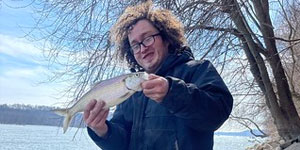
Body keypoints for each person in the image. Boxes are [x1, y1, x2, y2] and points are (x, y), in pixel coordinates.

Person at [83, 1, 233, 150]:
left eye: (147, 38)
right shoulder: (131, 88)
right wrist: (103, 131)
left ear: (166, 38)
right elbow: (123, 143)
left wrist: (171, 92)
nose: (142, 49)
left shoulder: (197, 70)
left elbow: (217, 113)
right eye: (135, 45)